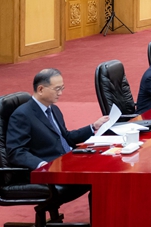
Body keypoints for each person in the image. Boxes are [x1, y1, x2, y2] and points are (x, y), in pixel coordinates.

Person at [7, 69, 109, 222]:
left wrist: (92, 127)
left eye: (62, 88)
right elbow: (16, 152)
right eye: (57, 89)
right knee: (101, 179)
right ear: (41, 89)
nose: (60, 93)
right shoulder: (22, 115)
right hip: (51, 171)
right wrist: (43, 165)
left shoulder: (53, 108)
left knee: (107, 169)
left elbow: (65, 137)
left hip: (68, 162)